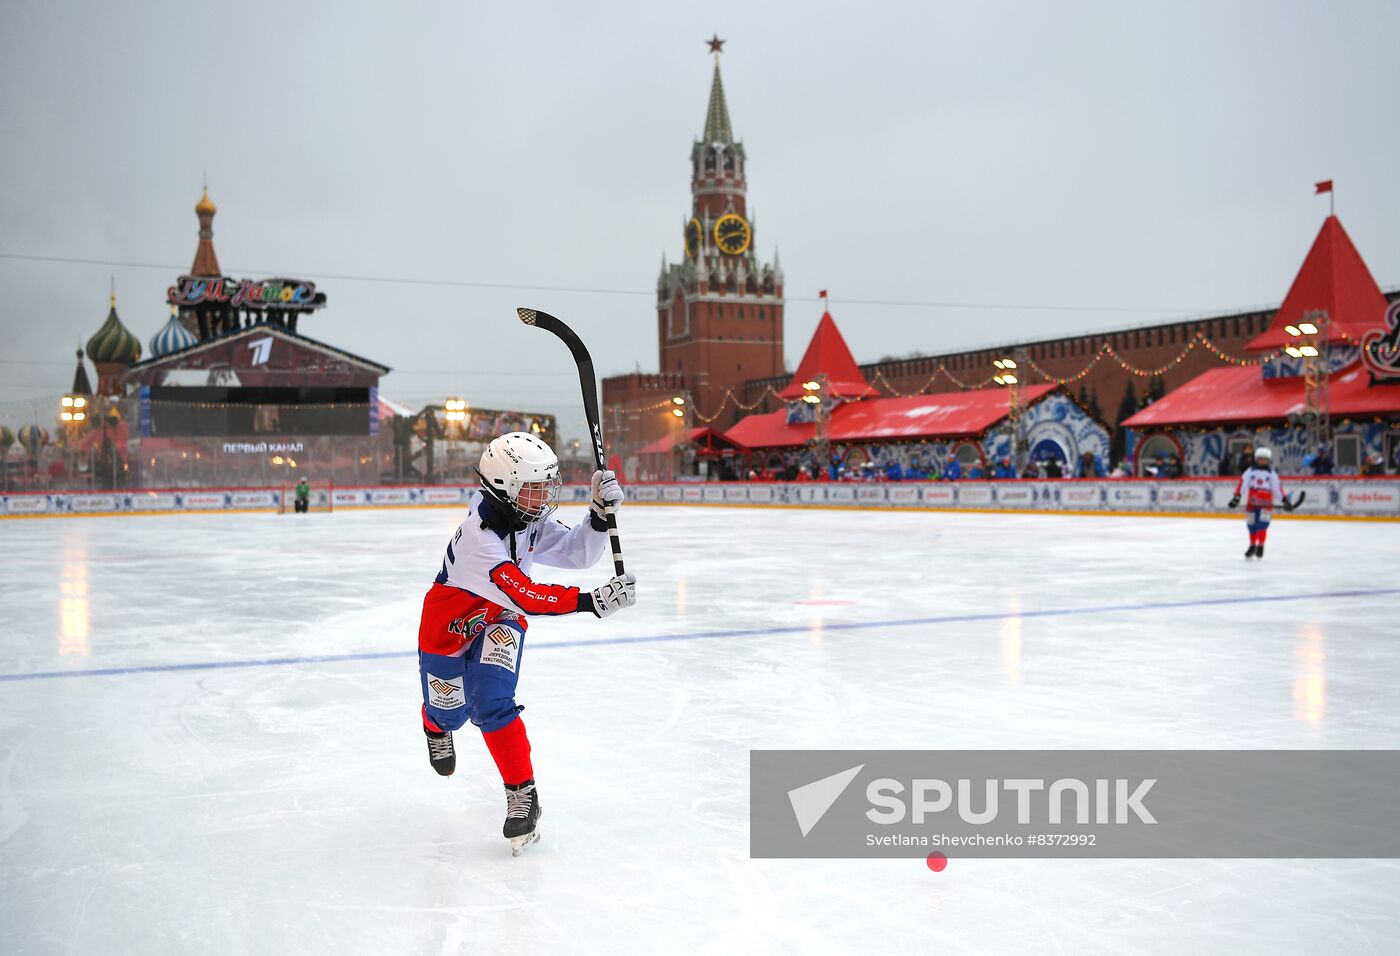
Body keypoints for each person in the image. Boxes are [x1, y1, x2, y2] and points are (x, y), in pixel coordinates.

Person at [417, 431, 636, 856]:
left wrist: (596, 514)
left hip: (500, 617)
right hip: (450, 627)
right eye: (536, 488)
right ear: (505, 488)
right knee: (451, 713)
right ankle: (434, 724)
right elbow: (525, 594)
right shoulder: (480, 538)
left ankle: (523, 796)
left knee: (491, 702)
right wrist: (590, 601)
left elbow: (577, 554)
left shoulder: (525, 519)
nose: (545, 497)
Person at [1228, 447, 1296, 559]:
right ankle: (1252, 545)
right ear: (1256, 459)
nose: (1263, 461)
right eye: (1260, 459)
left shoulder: (1272, 474)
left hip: (1265, 504)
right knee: (1251, 525)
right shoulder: (1250, 471)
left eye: (1265, 459)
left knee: (1262, 525)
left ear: (1269, 460)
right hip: (1252, 502)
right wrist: (1237, 497)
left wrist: (1284, 500)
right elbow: (1243, 484)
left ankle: (1261, 546)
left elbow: (1277, 488)